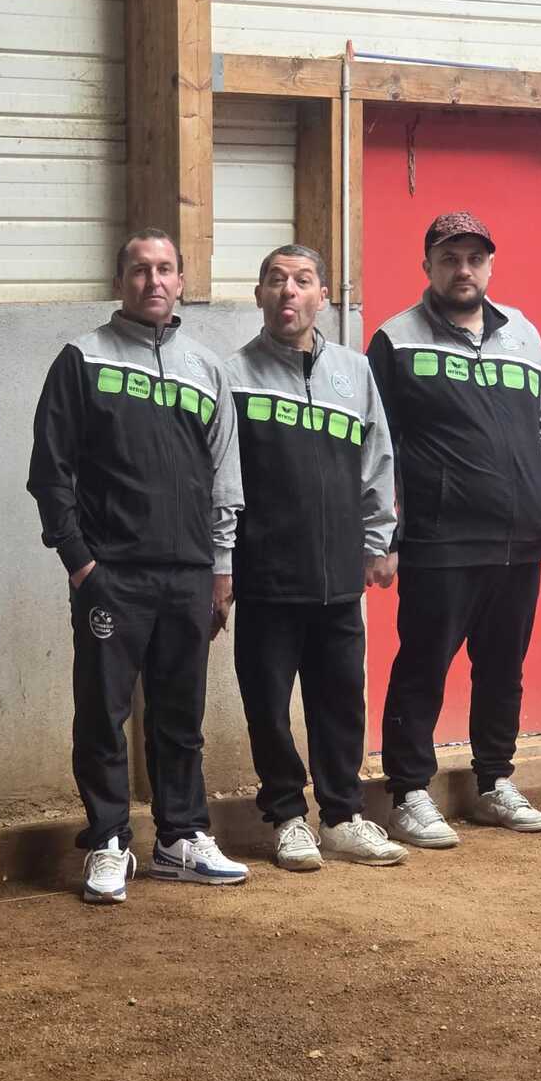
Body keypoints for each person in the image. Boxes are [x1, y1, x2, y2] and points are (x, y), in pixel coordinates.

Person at [27, 228, 248, 901]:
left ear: (181, 282)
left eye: (165, 269)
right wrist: (81, 565)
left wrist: (220, 568)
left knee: (180, 716)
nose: (154, 280)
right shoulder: (82, 358)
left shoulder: (206, 369)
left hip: (188, 575)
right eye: (141, 269)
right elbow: (50, 472)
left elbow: (225, 477)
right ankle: (108, 842)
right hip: (112, 576)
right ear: (120, 281)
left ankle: (181, 838)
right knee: (103, 713)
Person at [367, 212, 541, 845]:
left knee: (503, 667)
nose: (463, 270)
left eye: (474, 259)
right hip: (439, 540)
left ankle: (494, 782)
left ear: (490, 265)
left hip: (519, 539)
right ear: (427, 265)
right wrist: (386, 534)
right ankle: (409, 793)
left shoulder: (523, 334)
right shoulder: (396, 340)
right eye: (450, 258)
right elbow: (376, 444)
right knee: (423, 666)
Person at [225, 244, 407, 870]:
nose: (288, 291)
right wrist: (223, 562)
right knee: (268, 706)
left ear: (322, 297)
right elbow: (220, 477)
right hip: (266, 577)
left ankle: (342, 816)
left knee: (341, 702)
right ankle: (286, 817)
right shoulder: (232, 375)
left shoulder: (355, 372)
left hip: (338, 577)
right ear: (259, 294)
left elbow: (377, 460)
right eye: (276, 280)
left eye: (302, 281)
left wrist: (380, 540)